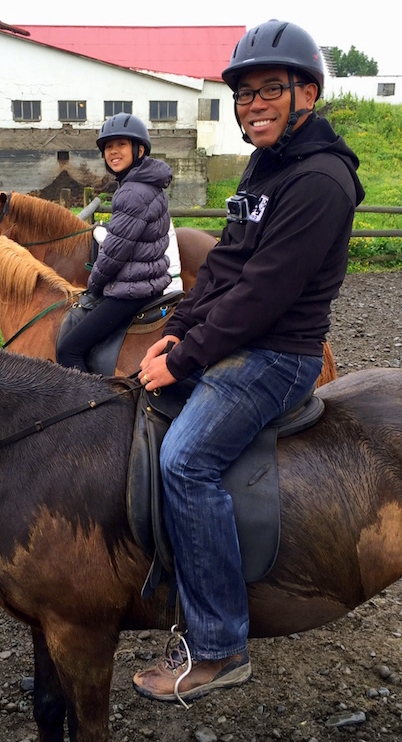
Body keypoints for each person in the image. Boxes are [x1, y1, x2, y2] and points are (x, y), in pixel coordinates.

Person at [133, 19, 365, 703]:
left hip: (276, 354)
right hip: (239, 337)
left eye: (270, 90)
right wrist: (176, 331)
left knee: (185, 460)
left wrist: (190, 358)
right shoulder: (267, 167)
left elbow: (265, 294)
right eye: (244, 94)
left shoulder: (321, 180)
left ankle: (219, 646)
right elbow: (228, 265)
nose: (253, 104)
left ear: (308, 94)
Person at [56, 113, 172, 372]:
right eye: (108, 146)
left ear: (139, 149)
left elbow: (113, 255)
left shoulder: (132, 192)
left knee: (68, 349)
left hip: (132, 292)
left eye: (121, 144)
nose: (113, 151)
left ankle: (91, 407)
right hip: (149, 284)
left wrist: (93, 287)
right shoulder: (149, 184)